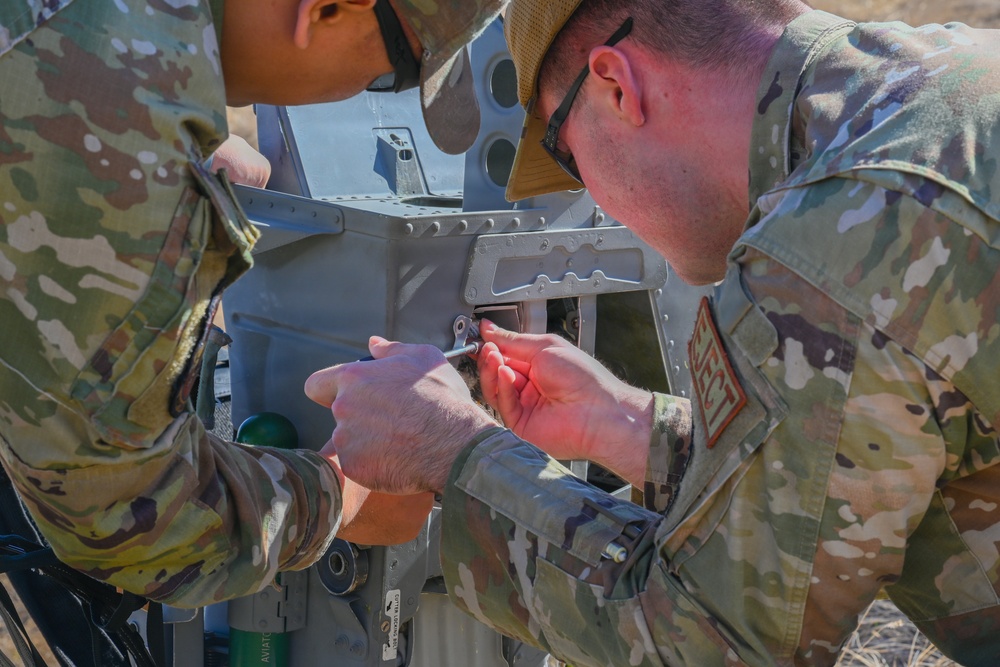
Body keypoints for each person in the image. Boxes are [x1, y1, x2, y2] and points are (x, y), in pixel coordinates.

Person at [304, 0, 1000, 664]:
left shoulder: (828, 246)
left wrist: (452, 455)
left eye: (567, 155)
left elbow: (717, 641)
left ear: (615, 85)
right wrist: (636, 428)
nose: (594, 198)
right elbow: (864, 457)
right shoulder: (950, 76)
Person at [0, 0, 504, 609]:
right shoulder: (125, 125)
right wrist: (346, 489)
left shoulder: (122, 47)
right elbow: (123, 517)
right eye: (395, 74)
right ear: (329, 10)